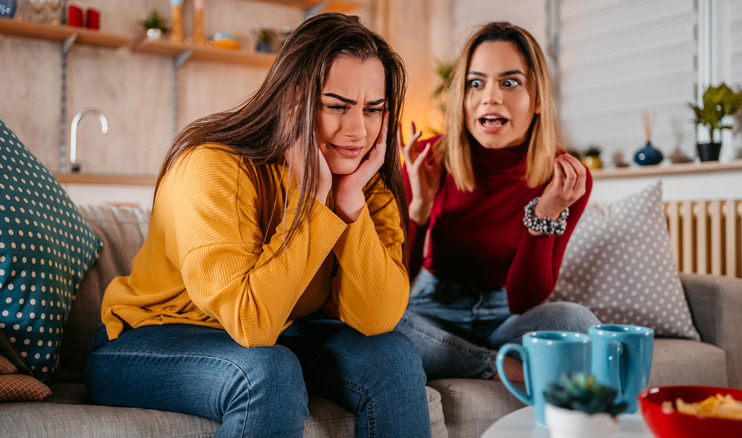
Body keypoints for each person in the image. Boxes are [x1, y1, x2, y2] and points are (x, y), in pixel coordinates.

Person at [83, 13, 431, 438]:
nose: (358, 130)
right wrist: (314, 203)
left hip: (276, 333)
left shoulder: (360, 182)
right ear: (293, 100)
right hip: (147, 343)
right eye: (337, 106)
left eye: (373, 109)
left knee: (393, 355)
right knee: (267, 371)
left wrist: (347, 206)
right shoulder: (212, 166)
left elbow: (376, 318)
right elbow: (251, 324)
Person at [395, 22, 600, 383]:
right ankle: (500, 368)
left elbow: (525, 302)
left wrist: (544, 216)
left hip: (505, 315)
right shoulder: (429, 157)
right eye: (476, 83)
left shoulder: (566, 178)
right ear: (463, 97)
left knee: (578, 322)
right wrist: (419, 213)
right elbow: (398, 283)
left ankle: (468, 360)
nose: (490, 97)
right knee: (378, 326)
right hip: (431, 309)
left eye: (509, 82)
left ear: (537, 100)